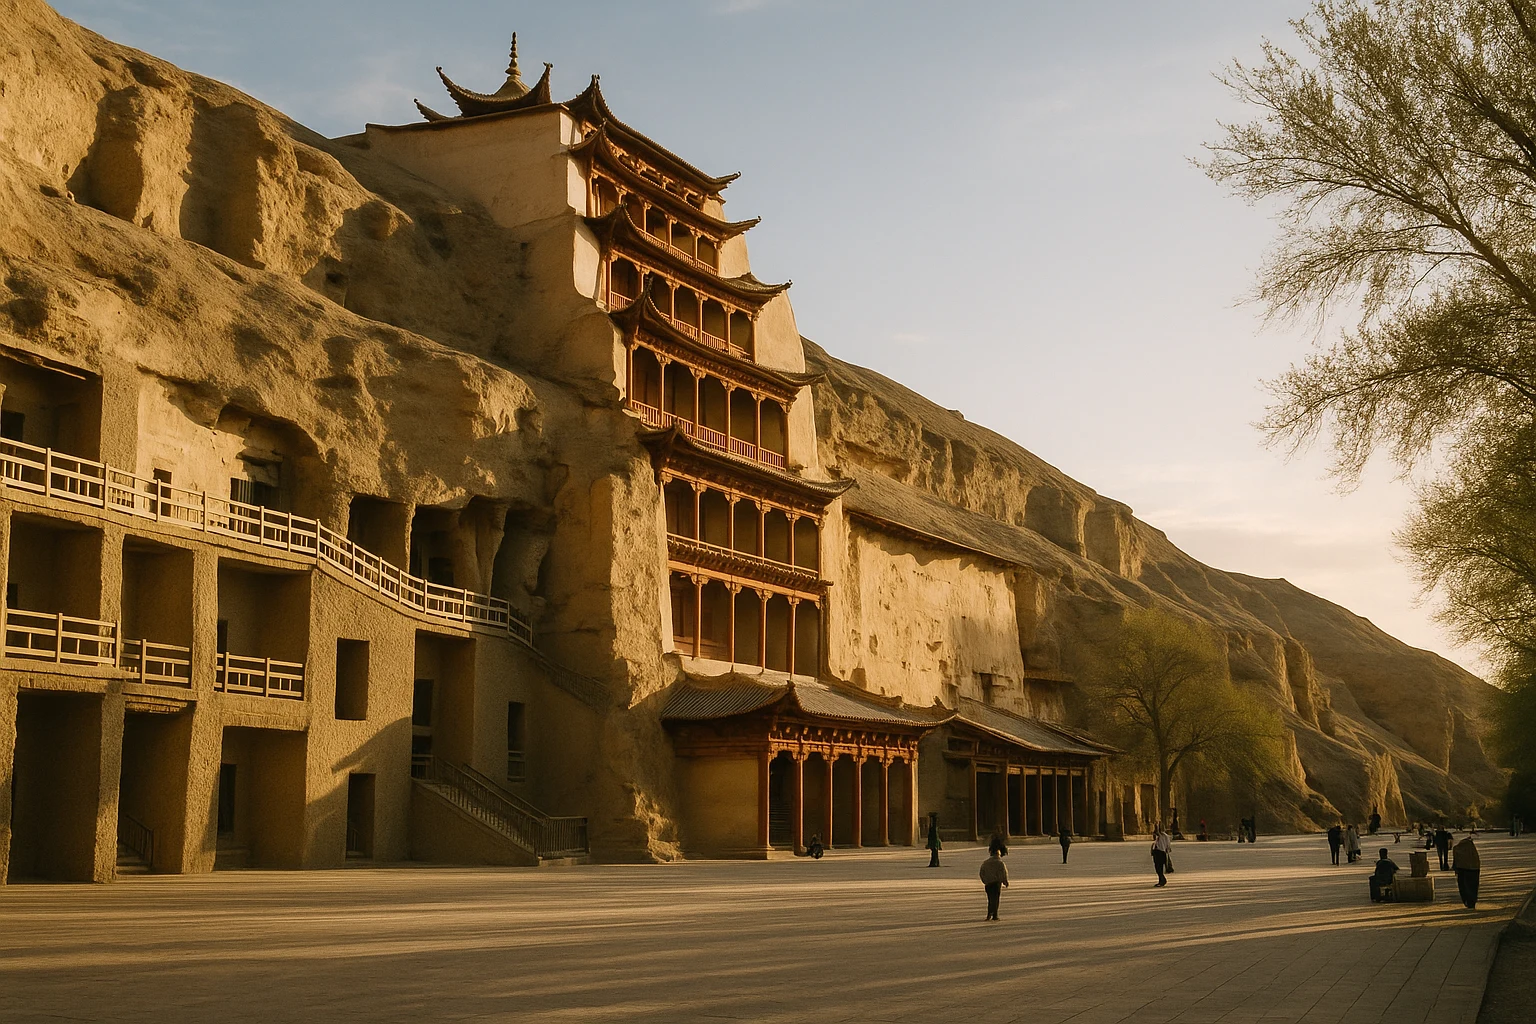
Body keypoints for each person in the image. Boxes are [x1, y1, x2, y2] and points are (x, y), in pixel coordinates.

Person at [980, 847, 1009, 921]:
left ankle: (989, 914)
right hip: (996, 883)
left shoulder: (985, 863)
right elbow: (1003, 873)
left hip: (988, 884)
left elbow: (981, 873)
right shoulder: (1000, 863)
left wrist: (985, 880)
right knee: (995, 899)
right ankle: (995, 915)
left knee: (990, 899)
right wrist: (1005, 881)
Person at [1453, 834, 1481, 908]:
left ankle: (1467, 902)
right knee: (1472, 887)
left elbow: (1456, 861)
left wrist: (1455, 868)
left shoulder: (1457, 848)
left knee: (1464, 887)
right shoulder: (1471, 849)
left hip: (1462, 869)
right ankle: (1472, 902)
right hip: (1473, 869)